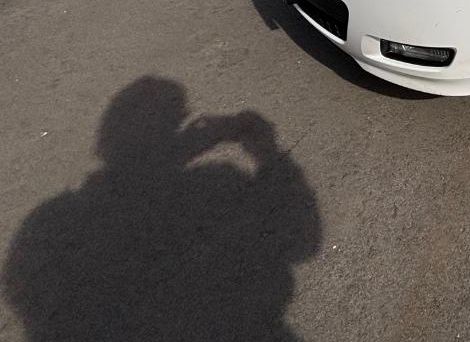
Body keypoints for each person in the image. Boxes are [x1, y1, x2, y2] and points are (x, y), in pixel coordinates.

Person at [3, 77, 320, 342]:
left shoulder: (52, 221)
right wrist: (265, 148)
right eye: (179, 120)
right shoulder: (215, 185)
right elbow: (302, 241)